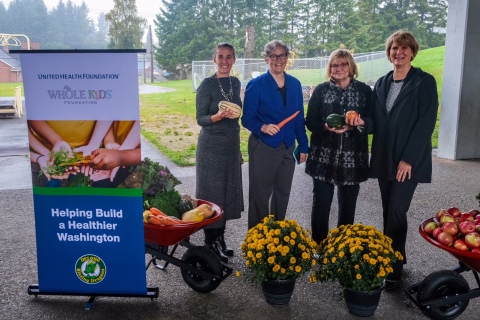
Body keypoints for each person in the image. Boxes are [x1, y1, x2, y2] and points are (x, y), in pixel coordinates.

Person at [351, 31, 438, 289]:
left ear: (412, 51)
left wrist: (408, 160)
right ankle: (396, 255)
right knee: (388, 208)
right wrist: (360, 123)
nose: (398, 52)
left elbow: (425, 123)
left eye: (403, 48)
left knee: (397, 210)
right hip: (385, 157)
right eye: (393, 48)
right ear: (389, 53)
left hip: (407, 160)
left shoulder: (424, 82)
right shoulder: (382, 82)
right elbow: (374, 120)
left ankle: (393, 267)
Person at [305, 49, 372, 244]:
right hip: (323, 156)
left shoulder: (364, 91)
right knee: (321, 203)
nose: (339, 68)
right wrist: (325, 126)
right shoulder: (321, 90)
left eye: (343, 64)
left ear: (351, 67)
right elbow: (310, 121)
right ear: (330, 68)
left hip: (353, 157)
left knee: (348, 205)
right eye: (335, 65)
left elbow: (373, 121)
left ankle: (342, 247)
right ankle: (319, 245)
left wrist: (359, 123)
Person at [242, 39, 308, 229]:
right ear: (266, 59)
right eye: (274, 56)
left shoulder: (295, 85)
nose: (278, 59)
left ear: (287, 58)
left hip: (288, 148)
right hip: (264, 147)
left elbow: (298, 118)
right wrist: (263, 127)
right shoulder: (256, 85)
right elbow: (247, 119)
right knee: (260, 195)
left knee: (282, 193)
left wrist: (303, 146)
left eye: (282, 55)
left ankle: (277, 237)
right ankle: (257, 240)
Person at [195, 42, 244, 263]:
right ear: (214, 59)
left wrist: (239, 150)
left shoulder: (235, 82)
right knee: (212, 194)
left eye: (229, 57)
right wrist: (216, 117)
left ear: (234, 59)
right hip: (211, 148)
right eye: (220, 57)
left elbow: (239, 116)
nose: (224, 61)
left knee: (226, 194)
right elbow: (201, 118)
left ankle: (220, 240)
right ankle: (209, 242)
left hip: (231, 145)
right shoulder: (206, 85)